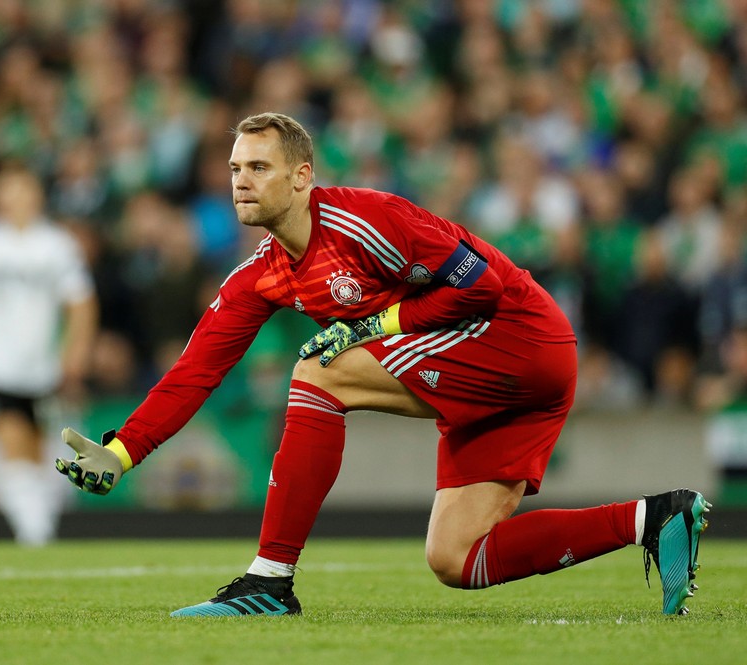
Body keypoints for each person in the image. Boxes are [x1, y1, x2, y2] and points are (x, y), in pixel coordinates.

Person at [56, 113, 709, 616]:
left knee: (319, 370)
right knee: (456, 557)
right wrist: (122, 453)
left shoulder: (366, 220)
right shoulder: (261, 274)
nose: (240, 181)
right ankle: (656, 517)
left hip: (517, 336)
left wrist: (380, 323)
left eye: (258, 166)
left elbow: (478, 284)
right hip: (483, 377)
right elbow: (195, 369)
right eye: (234, 168)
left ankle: (269, 580)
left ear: (302, 175)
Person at [0, 165, 97, 546]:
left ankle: (38, 523)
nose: (14, 198)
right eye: (6, 190)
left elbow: (82, 303)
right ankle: (34, 531)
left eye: (21, 188)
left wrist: (75, 353)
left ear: (36, 195)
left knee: (36, 448)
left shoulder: (57, 244)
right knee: (10, 438)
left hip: (41, 366)